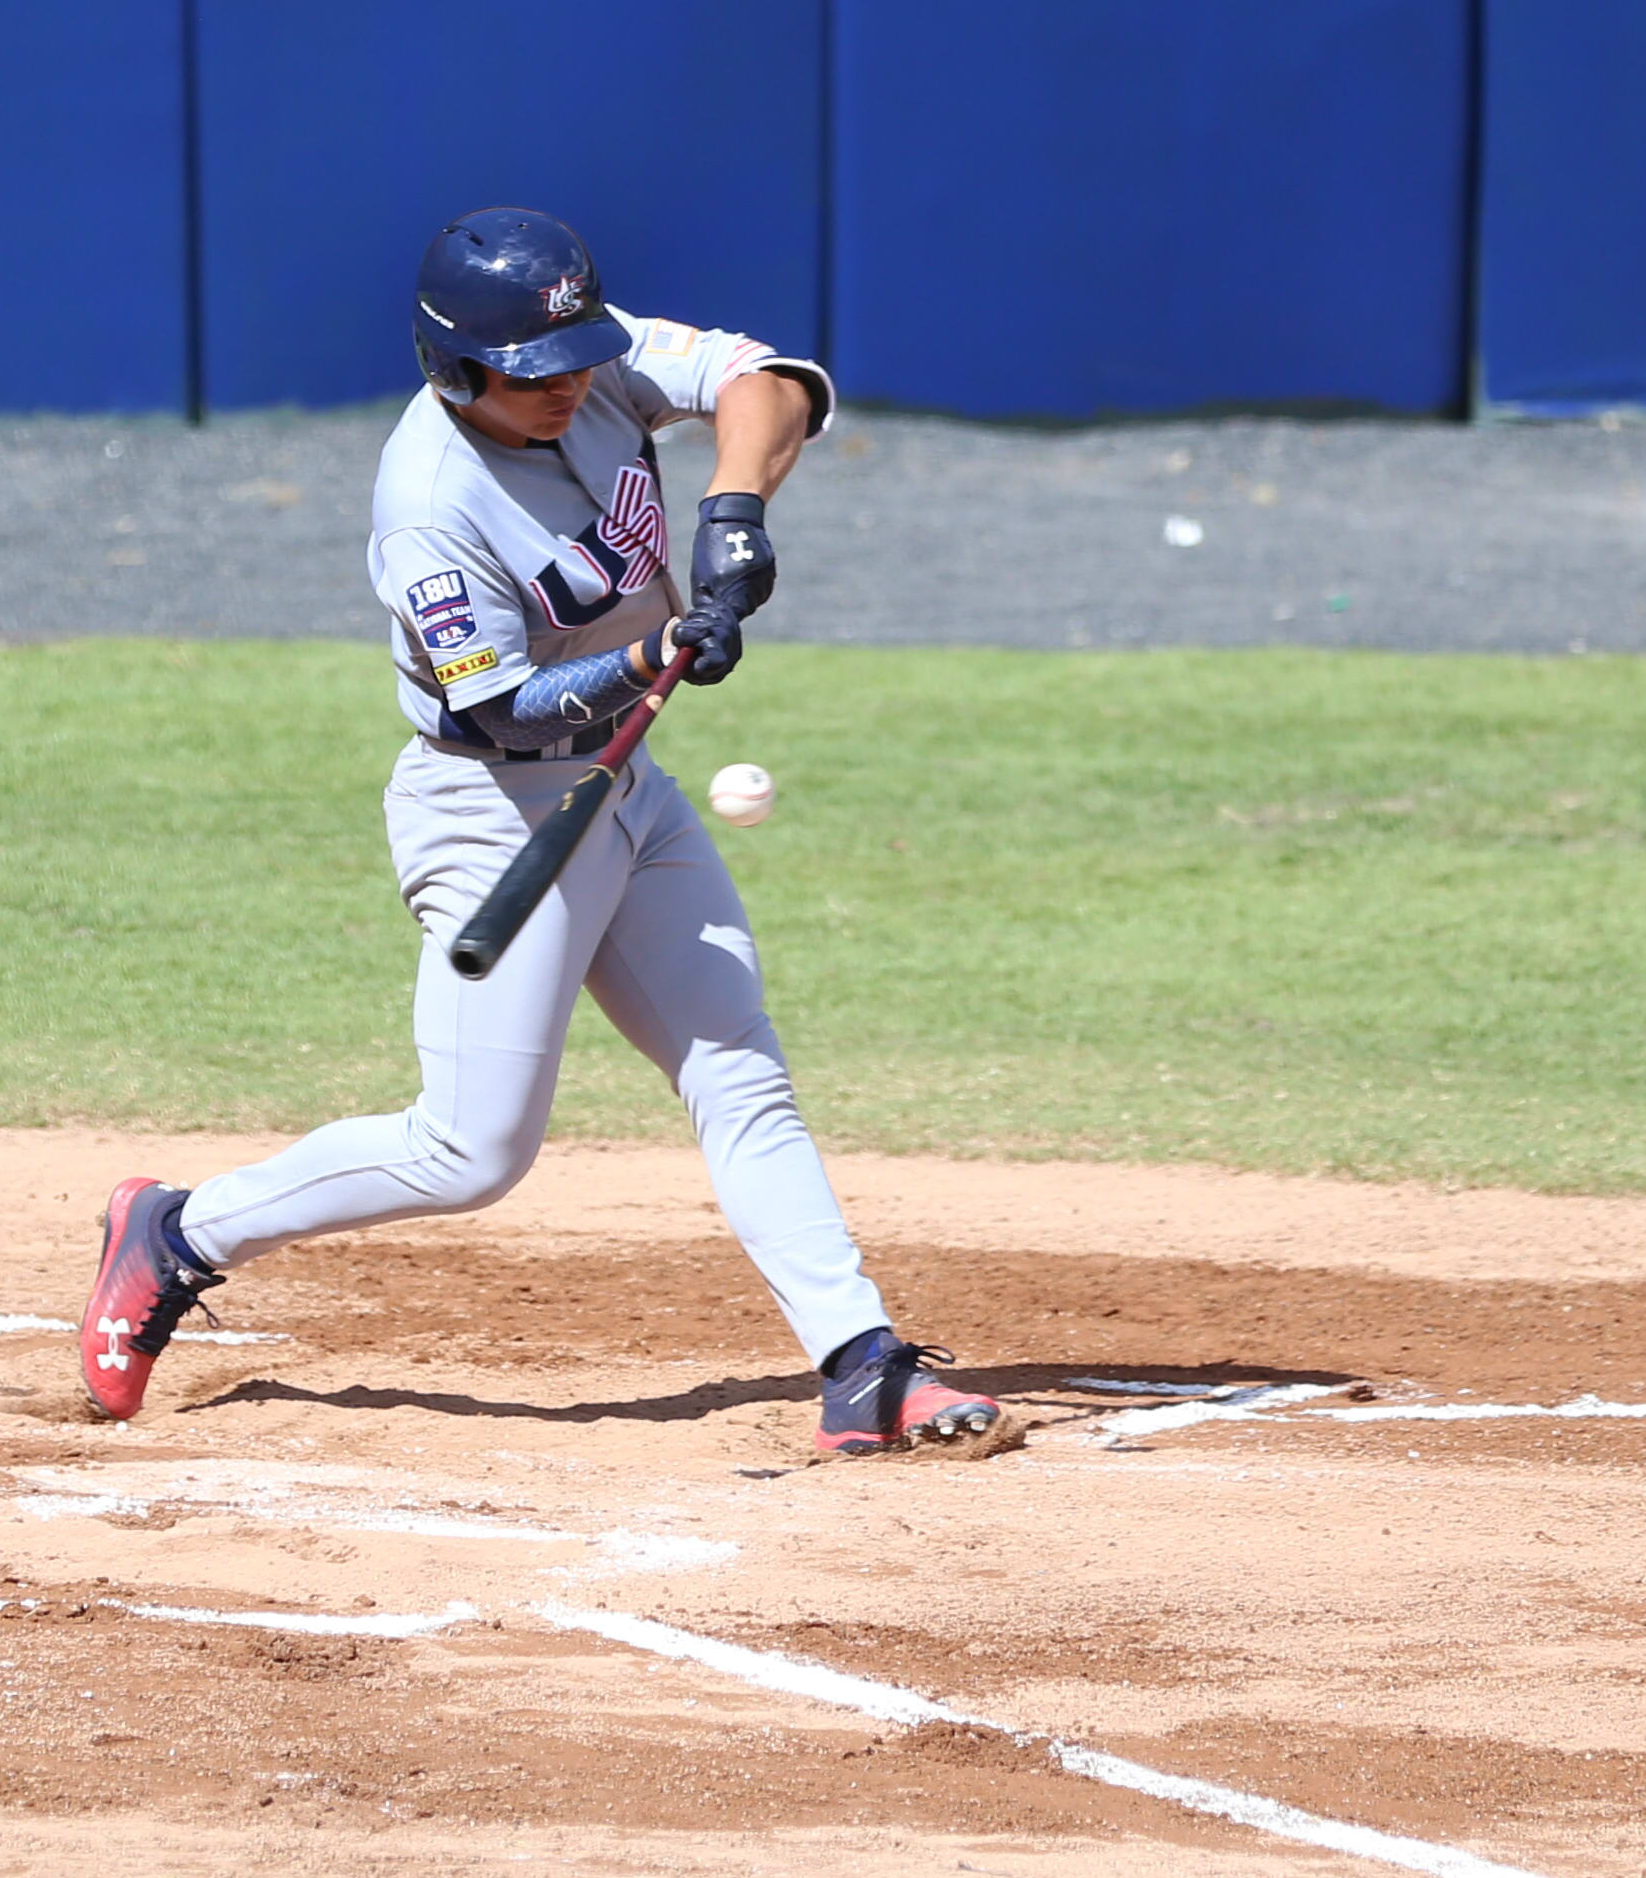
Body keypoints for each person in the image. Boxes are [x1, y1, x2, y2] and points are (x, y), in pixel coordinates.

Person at [74, 209, 1004, 1460]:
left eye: (577, 360)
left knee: (739, 1068)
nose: (571, 387)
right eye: (534, 376)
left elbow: (766, 380)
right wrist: (651, 651)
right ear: (456, 371)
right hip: (494, 805)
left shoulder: (587, 357)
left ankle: (862, 1366)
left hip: (624, 793)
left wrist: (734, 514)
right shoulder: (430, 509)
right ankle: (178, 1231)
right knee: (469, 1152)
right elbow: (503, 704)